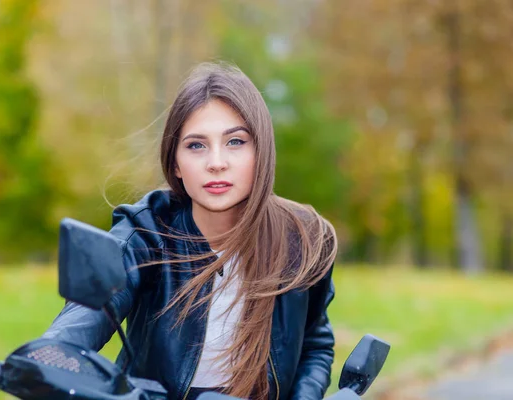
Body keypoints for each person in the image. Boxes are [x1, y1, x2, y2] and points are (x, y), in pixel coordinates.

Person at [43, 62, 338, 400]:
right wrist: (50, 355)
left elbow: (314, 342)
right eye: (197, 145)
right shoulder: (146, 231)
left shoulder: (305, 238)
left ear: (262, 152)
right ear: (175, 164)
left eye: (236, 141)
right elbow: (89, 313)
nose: (216, 162)